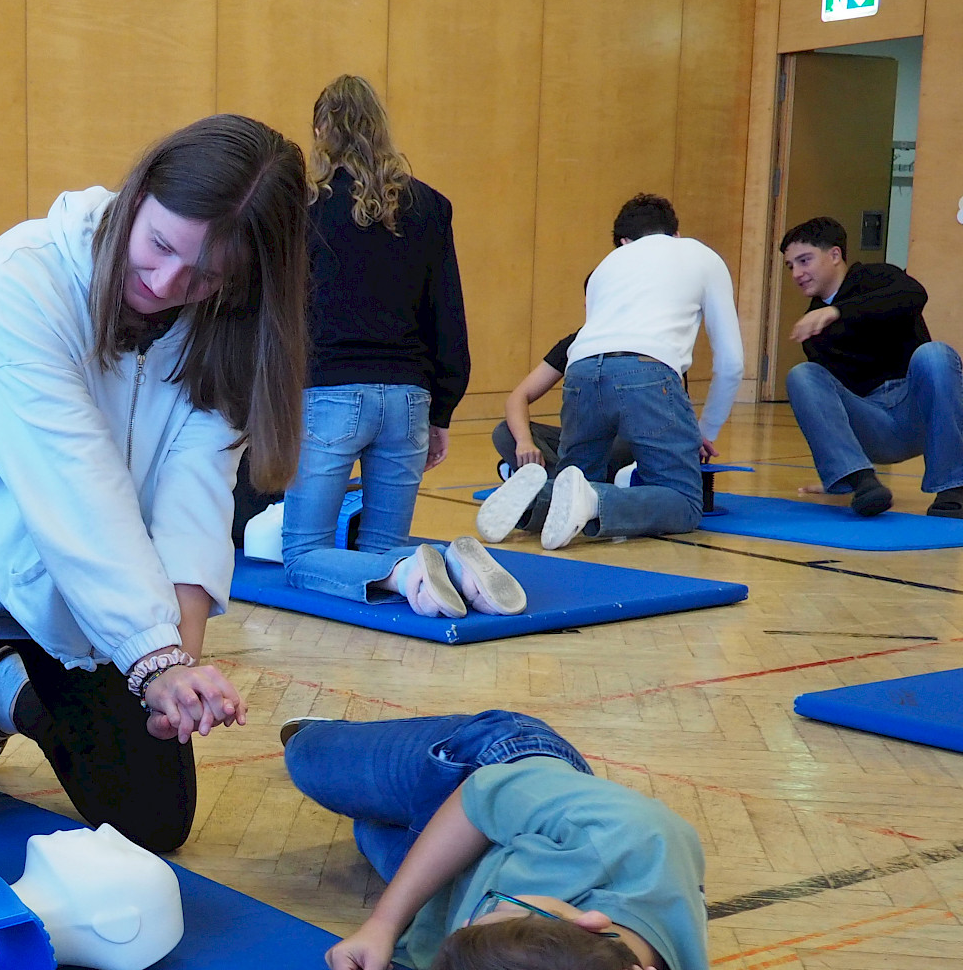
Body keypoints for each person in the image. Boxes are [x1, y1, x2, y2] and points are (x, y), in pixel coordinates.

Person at [0, 114, 310, 853]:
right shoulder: (24, 275)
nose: (168, 285)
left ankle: (8, 694)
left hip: (85, 605)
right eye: (160, 246)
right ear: (137, 196)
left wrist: (177, 677)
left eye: (206, 276)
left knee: (153, 822)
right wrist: (152, 658)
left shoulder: (222, 326)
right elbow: (75, 482)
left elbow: (195, 501)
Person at [280, 710, 707, 970]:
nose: (467, 918)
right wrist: (383, 923)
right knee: (307, 757)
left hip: (437, 882)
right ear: (588, 921)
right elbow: (476, 796)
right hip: (486, 768)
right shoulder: (631, 836)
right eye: (497, 906)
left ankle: (380, 809)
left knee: (369, 831)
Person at [278, 76, 521, 621]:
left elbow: (278, 310)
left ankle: (418, 570)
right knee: (382, 548)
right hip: (410, 397)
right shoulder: (430, 206)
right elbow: (447, 314)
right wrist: (443, 410)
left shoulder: (302, 206)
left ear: (321, 131)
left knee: (302, 555)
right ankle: (450, 567)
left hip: (330, 392)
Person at [480, 194, 742, 550]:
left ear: (625, 240)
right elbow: (731, 363)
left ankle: (535, 501)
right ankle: (593, 501)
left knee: (576, 478)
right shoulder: (701, 255)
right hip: (646, 372)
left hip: (581, 370)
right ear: (676, 234)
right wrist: (706, 430)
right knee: (683, 501)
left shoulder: (608, 264)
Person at [779, 215, 963, 518]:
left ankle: (953, 489)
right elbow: (829, 406)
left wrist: (838, 311)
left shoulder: (881, 277)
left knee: (934, 355)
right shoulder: (812, 327)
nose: (797, 273)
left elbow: (913, 295)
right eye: (790, 266)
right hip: (874, 424)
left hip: (919, 411)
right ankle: (860, 481)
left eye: (804, 260)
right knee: (803, 375)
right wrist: (838, 470)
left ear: (835, 255)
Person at [493, 328, 634, 482]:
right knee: (505, 432)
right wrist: (525, 442)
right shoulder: (579, 341)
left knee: (622, 444)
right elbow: (518, 397)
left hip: (622, 443)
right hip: (581, 441)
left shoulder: (639, 337)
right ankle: (563, 483)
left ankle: (548, 483)